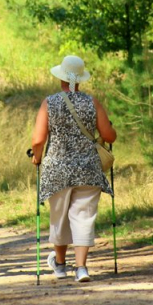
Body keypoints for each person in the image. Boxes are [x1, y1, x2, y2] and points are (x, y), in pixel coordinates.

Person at [31, 55, 116, 282]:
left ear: (61, 78)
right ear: (79, 80)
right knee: (83, 217)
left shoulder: (50, 103)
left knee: (59, 217)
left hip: (57, 170)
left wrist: (37, 158)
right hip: (88, 169)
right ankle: (81, 268)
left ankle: (59, 265)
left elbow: (38, 140)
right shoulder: (92, 102)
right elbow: (108, 136)